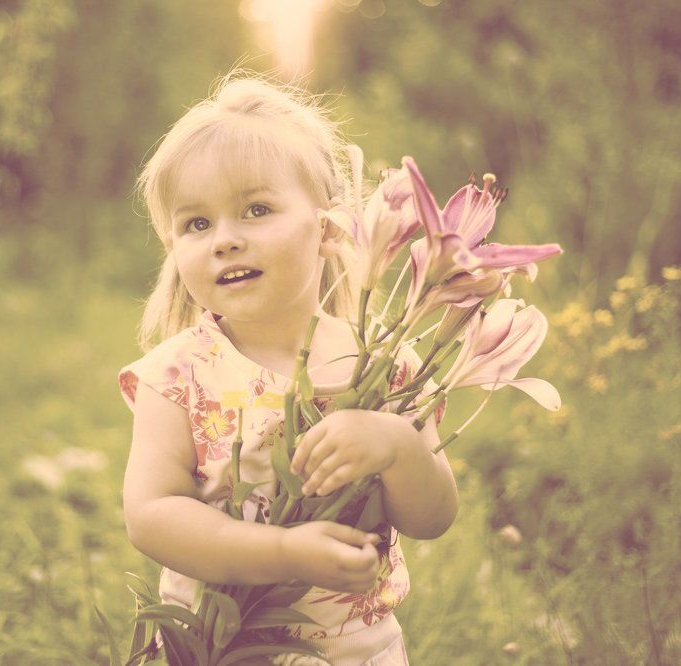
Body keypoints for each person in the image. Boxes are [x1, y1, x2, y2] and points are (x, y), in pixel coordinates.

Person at [118, 70, 458, 666]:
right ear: (175, 250)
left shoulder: (385, 365)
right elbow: (151, 515)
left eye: (255, 209)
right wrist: (282, 552)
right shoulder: (178, 375)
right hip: (216, 645)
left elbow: (433, 517)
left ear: (329, 229)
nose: (224, 239)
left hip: (356, 650)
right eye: (197, 223)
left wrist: (399, 446)